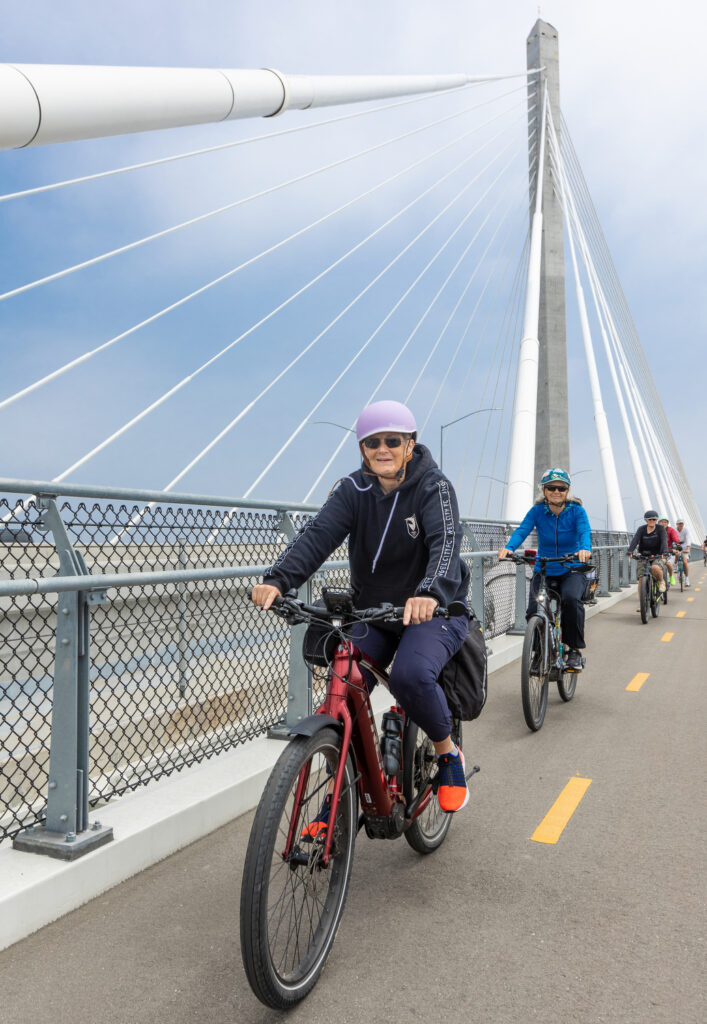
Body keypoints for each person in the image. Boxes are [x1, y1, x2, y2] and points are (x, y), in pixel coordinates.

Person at [251, 400, 472, 817]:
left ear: (410, 445)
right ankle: (339, 800)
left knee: (409, 676)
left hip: (434, 612)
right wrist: (278, 580)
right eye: (373, 442)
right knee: (344, 679)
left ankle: (447, 755)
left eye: (393, 440)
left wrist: (430, 591)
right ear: (363, 448)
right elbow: (317, 536)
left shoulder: (434, 487)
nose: (383, 449)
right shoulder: (353, 490)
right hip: (374, 612)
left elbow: (446, 543)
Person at [497, 468, 591, 671]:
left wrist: (585, 549)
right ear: (544, 490)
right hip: (545, 569)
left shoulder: (577, 511)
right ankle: (540, 653)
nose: (556, 491)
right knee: (534, 611)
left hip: (571, 568)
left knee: (571, 600)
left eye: (561, 488)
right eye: (551, 487)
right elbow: (523, 529)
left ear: (567, 490)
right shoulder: (537, 511)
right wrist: (509, 548)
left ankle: (573, 650)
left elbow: (584, 532)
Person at [627, 510, 668, 604]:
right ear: (646, 520)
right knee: (641, 579)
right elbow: (635, 540)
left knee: (655, 568)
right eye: (650, 519)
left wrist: (665, 552)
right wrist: (630, 551)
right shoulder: (641, 529)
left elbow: (664, 541)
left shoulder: (660, 529)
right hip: (644, 555)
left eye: (654, 519)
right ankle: (642, 604)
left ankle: (661, 581)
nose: (652, 521)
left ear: (656, 520)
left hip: (658, 555)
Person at [658, 516, 680, 586]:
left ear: (667, 523)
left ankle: (671, 576)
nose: (663, 524)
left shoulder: (671, 530)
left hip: (668, 550)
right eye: (661, 522)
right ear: (658, 523)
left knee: (669, 564)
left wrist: (677, 544)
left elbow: (675, 538)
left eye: (665, 522)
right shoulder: (656, 529)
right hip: (658, 551)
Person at [675, 518, 691, 586]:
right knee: (676, 554)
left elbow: (688, 538)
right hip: (676, 545)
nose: (680, 525)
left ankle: (687, 579)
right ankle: (675, 566)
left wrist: (688, 547)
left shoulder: (686, 530)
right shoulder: (674, 530)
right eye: (679, 523)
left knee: (685, 562)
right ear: (677, 524)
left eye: (682, 523)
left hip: (684, 546)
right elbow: (673, 538)